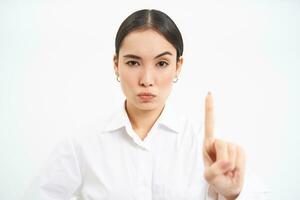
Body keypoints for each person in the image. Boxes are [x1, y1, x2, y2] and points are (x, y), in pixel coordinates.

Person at [24, 9, 268, 200]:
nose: (147, 80)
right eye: (133, 63)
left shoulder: (206, 146)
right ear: (116, 64)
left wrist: (233, 194)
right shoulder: (83, 143)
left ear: (178, 67)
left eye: (161, 63)